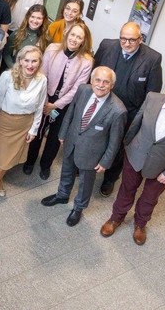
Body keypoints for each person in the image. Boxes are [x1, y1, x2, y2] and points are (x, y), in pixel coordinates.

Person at [101, 75, 165, 245]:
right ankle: (115, 218)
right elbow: (137, 122)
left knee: (150, 198)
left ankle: (140, 225)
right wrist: (128, 146)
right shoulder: (152, 98)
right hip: (136, 156)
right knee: (126, 189)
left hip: (163, 169)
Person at [41, 68, 126, 226]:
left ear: (112, 85)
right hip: (71, 141)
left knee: (85, 183)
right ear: (91, 81)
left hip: (92, 154)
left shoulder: (118, 110)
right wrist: (62, 133)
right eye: (97, 80)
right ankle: (62, 195)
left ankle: (78, 208)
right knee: (66, 170)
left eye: (106, 82)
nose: (100, 85)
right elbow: (71, 112)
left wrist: (106, 162)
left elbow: (115, 141)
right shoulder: (83, 90)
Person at [93, 21, 164, 196]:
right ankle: (87, 165)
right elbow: (94, 73)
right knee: (96, 137)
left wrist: (139, 121)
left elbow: (152, 94)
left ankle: (110, 179)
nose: (126, 43)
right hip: (102, 105)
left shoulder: (152, 59)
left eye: (132, 40)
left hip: (128, 114)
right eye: (123, 39)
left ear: (140, 39)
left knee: (117, 147)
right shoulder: (107, 45)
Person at [24, 23, 95, 179]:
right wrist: (46, 101)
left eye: (79, 37)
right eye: (73, 35)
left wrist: (55, 105)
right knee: (37, 130)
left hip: (63, 105)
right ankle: (29, 161)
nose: (74, 39)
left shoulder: (87, 61)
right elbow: (42, 75)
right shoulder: (52, 49)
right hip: (44, 97)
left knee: (55, 137)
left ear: (83, 41)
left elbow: (78, 88)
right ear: (66, 34)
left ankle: (45, 166)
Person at [0, 45, 48, 205]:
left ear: (39, 62)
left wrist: (34, 129)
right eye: (26, 60)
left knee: (7, 160)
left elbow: (40, 106)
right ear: (20, 61)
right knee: (3, 161)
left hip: (25, 124)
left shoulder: (42, 80)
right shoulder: (7, 76)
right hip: (5, 122)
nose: (30, 65)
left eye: (34, 61)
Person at [4, 4, 50, 70]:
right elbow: (6, 54)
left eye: (39, 18)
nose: (35, 21)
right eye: (32, 17)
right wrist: (13, 67)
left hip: (34, 73)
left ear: (44, 20)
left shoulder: (47, 38)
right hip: (16, 71)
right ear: (28, 17)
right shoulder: (17, 34)